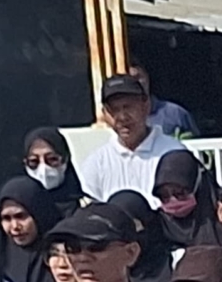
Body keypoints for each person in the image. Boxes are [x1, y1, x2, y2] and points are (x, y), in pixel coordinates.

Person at [78, 74, 188, 203]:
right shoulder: (96, 163)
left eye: (128, 107)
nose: (122, 117)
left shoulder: (174, 152)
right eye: (114, 110)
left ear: (146, 106)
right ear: (105, 114)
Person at [150, 149, 222, 253]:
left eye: (180, 193)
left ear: (198, 187)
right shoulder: (155, 226)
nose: (173, 201)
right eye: (164, 196)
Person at [17, 127, 84, 227]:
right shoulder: (18, 211)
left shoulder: (84, 207)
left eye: (52, 159)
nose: (43, 168)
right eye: (34, 161)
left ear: (66, 159)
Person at [124, 65, 198, 139]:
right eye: (131, 80)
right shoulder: (121, 119)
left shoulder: (175, 113)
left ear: (147, 77)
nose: (136, 84)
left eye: (138, 77)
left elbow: (197, 144)